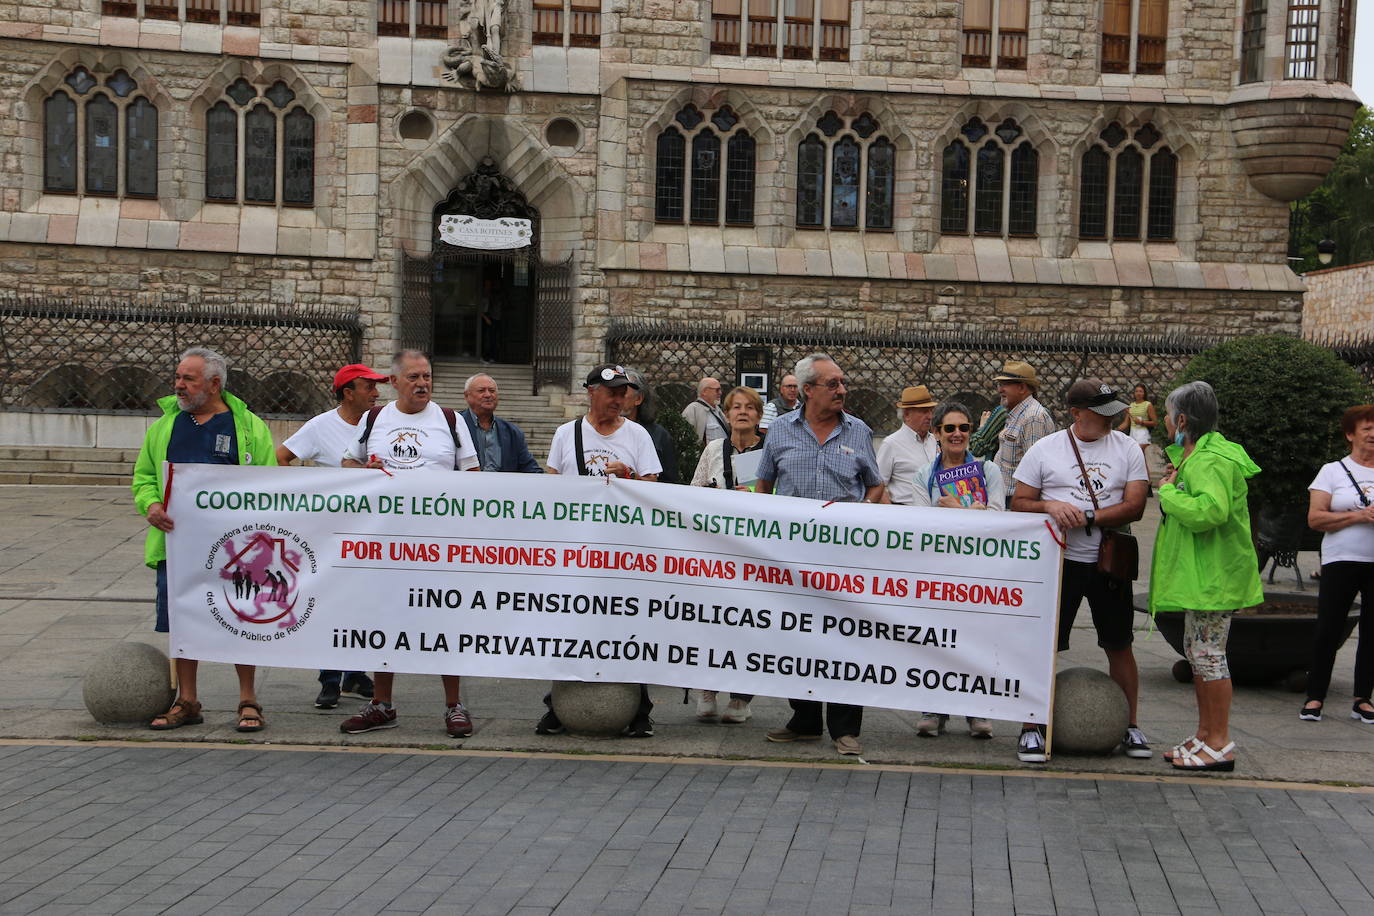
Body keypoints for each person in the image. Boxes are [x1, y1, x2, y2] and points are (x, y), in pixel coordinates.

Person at [132, 347, 276, 733]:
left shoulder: (249, 428)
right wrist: (150, 505)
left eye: (188, 379)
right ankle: (188, 699)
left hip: (237, 549)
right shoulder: (165, 426)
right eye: (178, 377)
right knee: (183, 624)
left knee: (241, 618)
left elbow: (271, 485)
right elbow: (144, 477)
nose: (179, 385)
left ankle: (248, 699)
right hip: (178, 548)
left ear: (214, 384)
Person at [339, 350, 480, 738]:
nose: (422, 383)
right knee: (384, 619)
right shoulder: (374, 419)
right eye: (414, 377)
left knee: (446, 621)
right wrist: (362, 473)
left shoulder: (451, 420)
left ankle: (454, 705)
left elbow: (474, 476)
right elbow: (348, 463)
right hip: (385, 543)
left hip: (438, 545)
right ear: (395, 381)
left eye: (428, 376)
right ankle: (382, 704)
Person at [1011, 379, 1150, 764]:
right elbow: (1020, 502)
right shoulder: (1045, 449)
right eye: (1101, 413)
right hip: (1059, 561)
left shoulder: (1127, 449)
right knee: (1045, 646)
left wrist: (1089, 515)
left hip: (1109, 559)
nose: (1111, 419)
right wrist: (1051, 507)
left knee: (1119, 643)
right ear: (1076, 414)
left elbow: (1135, 505)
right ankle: (1031, 726)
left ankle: (1131, 724)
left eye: (1112, 411)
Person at [758, 353, 882, 757]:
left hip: (844, 559)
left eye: (842, 383)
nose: (842, 390)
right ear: (807, 390)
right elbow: (763, 486)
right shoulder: (778, 431)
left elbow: (875, 486)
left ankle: (845, 728)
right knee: (796, 637)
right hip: (792, 559)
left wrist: (862, 509)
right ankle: (805, 719)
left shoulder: (858, 431)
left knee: (845, 639)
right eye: (833, 384)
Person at [539, 364, 662, 738]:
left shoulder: (638, 435)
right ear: (591, 392)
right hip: (579, 547)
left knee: (627, 625)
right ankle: (558, 703)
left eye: (623, 392)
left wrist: (628, 477)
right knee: (571, 623)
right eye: (612, 392)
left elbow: (654, 489)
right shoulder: (567, 433)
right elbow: (551, 486)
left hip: (624, 549)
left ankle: (640, 706)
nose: (619, 399)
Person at [1150, 381, 1261, 772]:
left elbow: (1209, 512)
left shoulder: (1211, 459)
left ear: (1182, 419)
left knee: (1210, 657)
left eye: (1166, 413)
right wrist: (1175, 483)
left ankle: (1219, 741)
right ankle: (1204, 734)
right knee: (1199, 655)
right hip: (1202, 575)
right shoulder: (1195, 455)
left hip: (1214, 576)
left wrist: (1167, 492)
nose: (1162, 420)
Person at [276, 363, 387, 710]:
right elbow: (279, 459)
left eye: (376, 386)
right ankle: (329, 679)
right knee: (334, 603)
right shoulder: (321, 426)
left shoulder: (383, 422)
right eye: (368, 387)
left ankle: (355, 672)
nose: (376, 393)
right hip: (333, 532)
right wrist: (308, 496)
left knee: (364, 604)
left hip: (373, 530)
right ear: (347, 393)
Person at [910, 400, 1005, 741]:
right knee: (935, 640)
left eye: (963, 428)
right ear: (936, 433)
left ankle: (976, 709)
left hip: (977, 572)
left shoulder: (989, 471)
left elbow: (997, 521)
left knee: (974, 641)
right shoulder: (924, 476)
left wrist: (960, 509)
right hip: (938, 571)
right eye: (949, 428)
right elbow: (922, 525)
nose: (957, 434)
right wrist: (970, 513)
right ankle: (933, 707)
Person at [690, 385, 767, 724]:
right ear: (726, 413)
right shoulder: (713, 449)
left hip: (755, 552)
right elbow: (694, 491)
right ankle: (707, 689)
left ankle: (740, 696)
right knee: (711, 622)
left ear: (758, 415)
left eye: (749, 407)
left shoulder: (768, 452)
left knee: (747, 625)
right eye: (735, 407)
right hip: (716, 550)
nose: (742, 412)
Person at [1303, 404, 1374, 727]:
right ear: (1350, 434)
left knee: (1372, 634)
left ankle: (1363, 699)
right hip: (1340, 559)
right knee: (1328, 629)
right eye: (1366, 429)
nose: (1372, 435)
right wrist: (1358, 516)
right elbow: (1315, 518)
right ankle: (1315, 696)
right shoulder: (1332, 471)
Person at [994, 360, 1055, 508]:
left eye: (1005, 385)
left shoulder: (1033, 418)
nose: (1000, 390)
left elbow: (1035, 470)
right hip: (1007, 498)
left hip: (1016, 501)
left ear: (1022, 387)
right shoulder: (1017, 414)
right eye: (999, 384)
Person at [459, 373, 543, 473]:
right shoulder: (455, 425)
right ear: (467, 396)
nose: (488, 395)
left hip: (502, 487)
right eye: (481, 391)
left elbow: (529, 467)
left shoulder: (512, 432)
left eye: (492, 391)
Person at [877, 385, 940, 506]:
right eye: (923, 411)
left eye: (931, 411)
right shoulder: (891, 444)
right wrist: (893, 515)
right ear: (907, 415)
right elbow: (878, 485)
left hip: (936, 514)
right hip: (905, 514)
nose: (930, 416)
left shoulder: (936, 441)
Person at [624, 367, 681, 484]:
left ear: (638, 399)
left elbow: (669, 482)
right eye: (612, 393)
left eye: (622, 393)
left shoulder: (659, 436)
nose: (615, 399)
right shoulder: (599, 432)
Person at [1118, 383, 1158, 493]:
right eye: (1136, 391)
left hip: (1143, 433)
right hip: (1133, 433)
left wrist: (1142, 422)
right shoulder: (1130, 406)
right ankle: (1145, 484)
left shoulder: (1147, 405)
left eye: (1141, 391)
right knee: (1137, 458)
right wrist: (1115, 430)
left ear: (1144, 393)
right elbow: (1126, 423)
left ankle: (1147, 483)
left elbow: (1155, 422)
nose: (1138, 393)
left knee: (1139, 455)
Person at [681, 377, 729, 445]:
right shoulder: (692, 409)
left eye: (720, 390)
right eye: (717, 390)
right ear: (704, 391)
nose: (720, 393)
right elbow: (685, 439)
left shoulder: (717, 410)